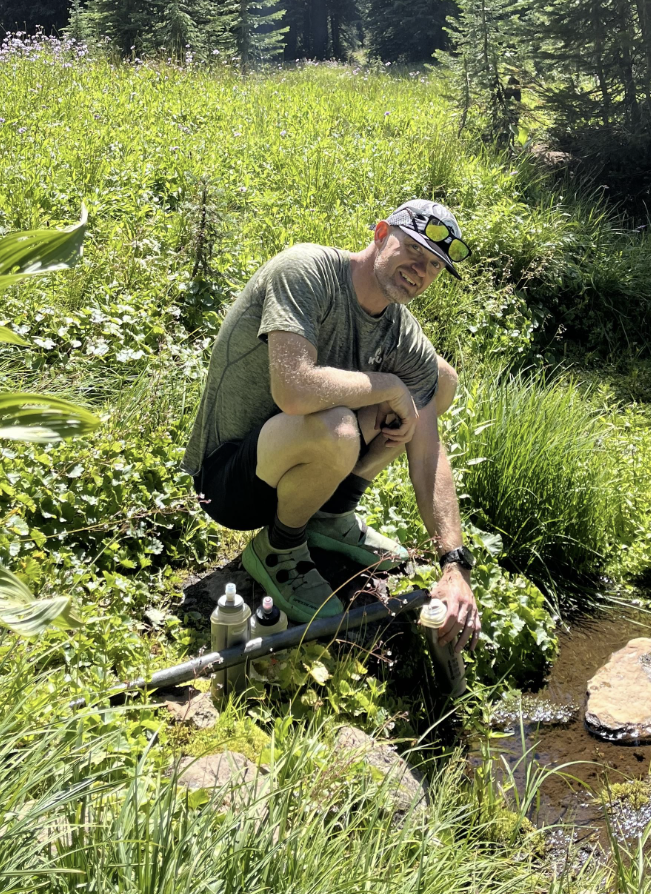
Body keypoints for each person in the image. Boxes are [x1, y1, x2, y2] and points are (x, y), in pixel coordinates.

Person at [183, 199, 479, 652]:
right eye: (412, 251)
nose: (419, 270)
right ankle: (280, 548)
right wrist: (386, 385)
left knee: (437, 383)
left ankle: (329, 516)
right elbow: (294, 390)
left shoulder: (400, 330)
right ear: (381, 234)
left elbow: (428, 450)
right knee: (341, 424)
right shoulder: (308, 271)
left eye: (433, 266)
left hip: (295, 459)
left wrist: (454, 562)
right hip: (230, 481)